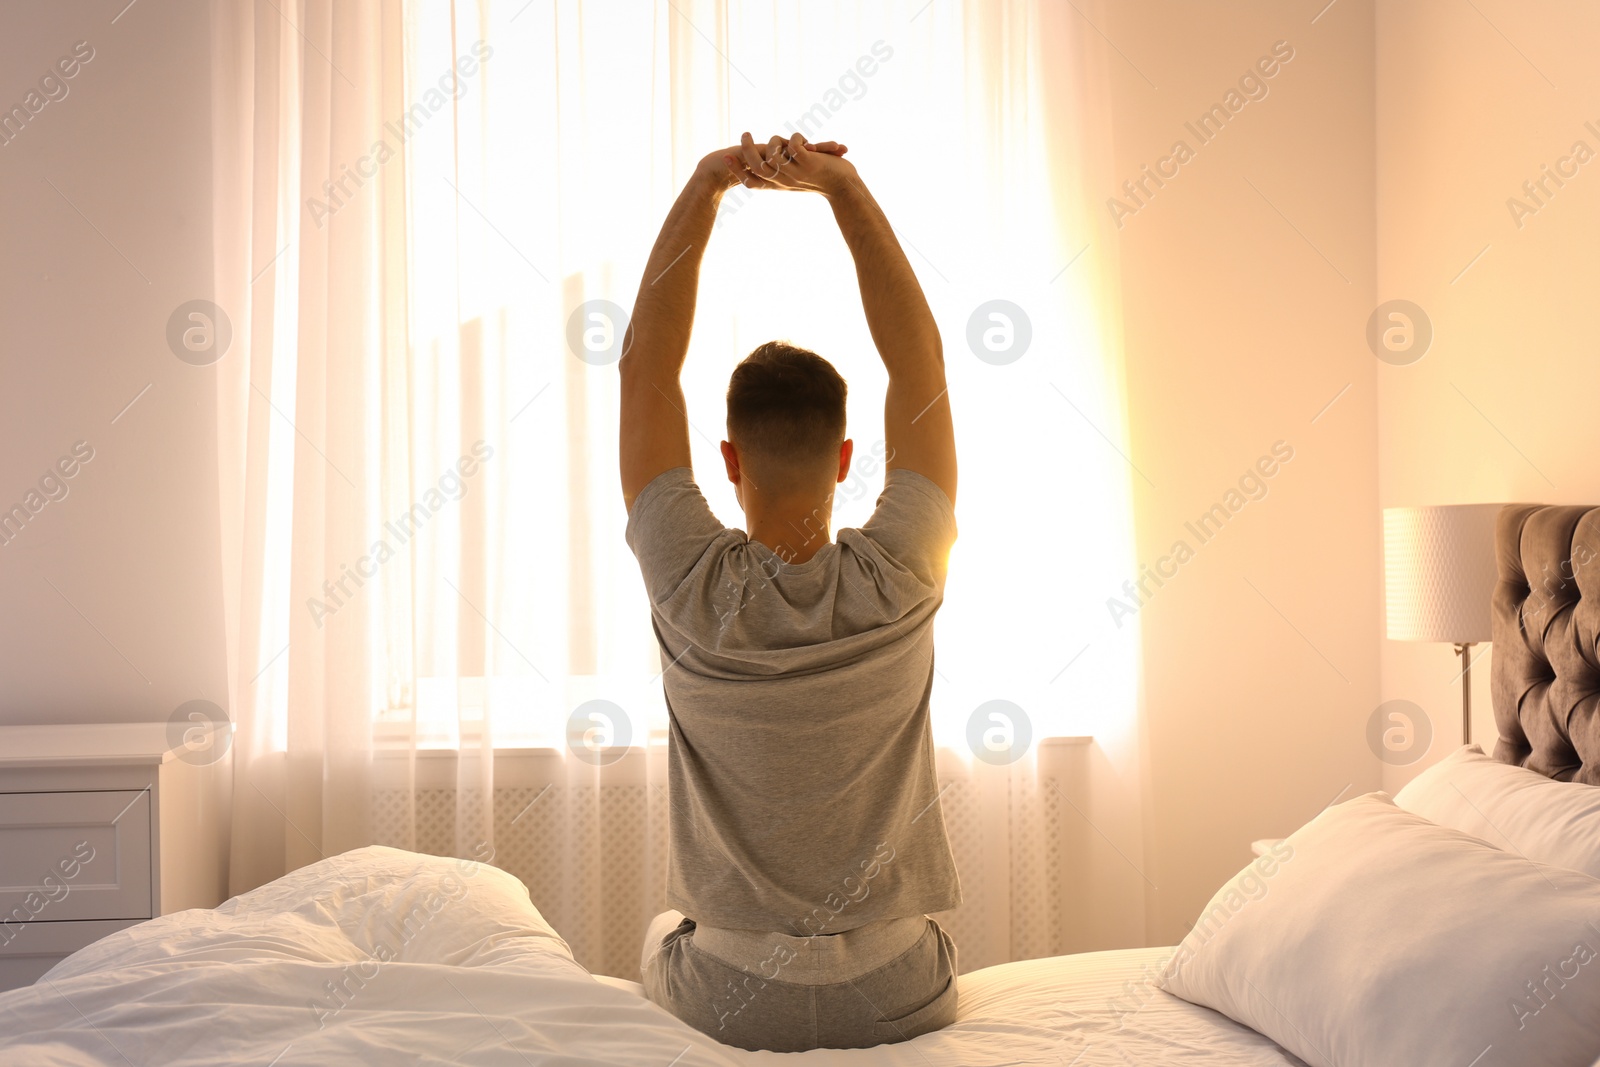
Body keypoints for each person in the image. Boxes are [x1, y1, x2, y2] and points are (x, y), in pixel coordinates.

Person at [619, 131, 961, 1053]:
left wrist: (708, 183)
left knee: (655, 936)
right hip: (893, 990)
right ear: (848, 458)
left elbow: (646, 370)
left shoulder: (687, 578)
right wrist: (841, 188)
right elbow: (918, 360)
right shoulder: (903, 571)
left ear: (726, 460)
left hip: (729, 989)